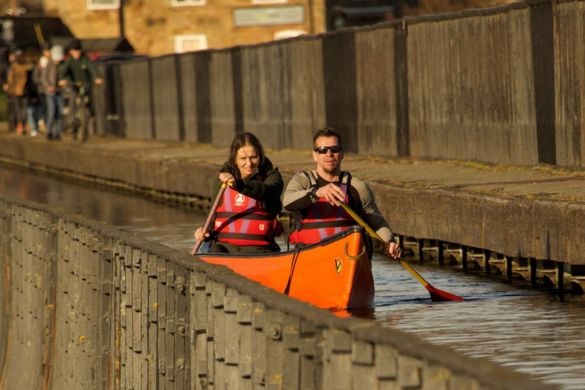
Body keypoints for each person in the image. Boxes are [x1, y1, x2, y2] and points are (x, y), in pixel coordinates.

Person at [283, 126, 401, 259]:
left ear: (342, 154)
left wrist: (389, 242)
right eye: (322, 150)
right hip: (309, 259)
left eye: (335, 149)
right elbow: (287, 202)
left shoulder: (357, 188)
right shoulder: (303, 181)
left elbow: (378, 223)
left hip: (348, 258)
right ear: (315, 155)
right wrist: (316, 193)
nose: (329, 154)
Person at [193, 132, 284, 254]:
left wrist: (238, 185)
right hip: (224, 248)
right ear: (234, 159)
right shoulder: (222, 179)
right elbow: (213, 215)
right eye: (243, 158)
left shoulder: (272, 177)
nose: (249, 163)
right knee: (211, 249)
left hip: (259, 249)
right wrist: (203, 231)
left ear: (260, 157)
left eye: (253, 157)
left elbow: (268, 191)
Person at [58, 39, 102, 141]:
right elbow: (63, 71)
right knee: (72, 108)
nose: (76, 53)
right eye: (74, 51)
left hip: (85, 87)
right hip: (74, 87)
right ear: (70, 52)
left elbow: (92, 69)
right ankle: (72, 128)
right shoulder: (70, 61)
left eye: (78, 51)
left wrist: (97, 77)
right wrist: (62, 80)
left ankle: (85, 128)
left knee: (86, 107)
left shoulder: (84, 60)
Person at [35, 44, 64, 140]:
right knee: (51, 111)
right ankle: (49, 131)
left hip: (59, 91)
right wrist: (48, 86)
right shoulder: (49, 64)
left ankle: (57, 132)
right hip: (50, 91)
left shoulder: (62, 65)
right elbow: (43, 77)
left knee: (59, 112)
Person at [3, 50, 29, 135]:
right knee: (18, 110)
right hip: (15, 91)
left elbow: (23, 80)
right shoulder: (10, 67)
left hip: (19, 91)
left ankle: (21, 125)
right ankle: (20, 125)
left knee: (21, 110)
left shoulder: (19, 68)